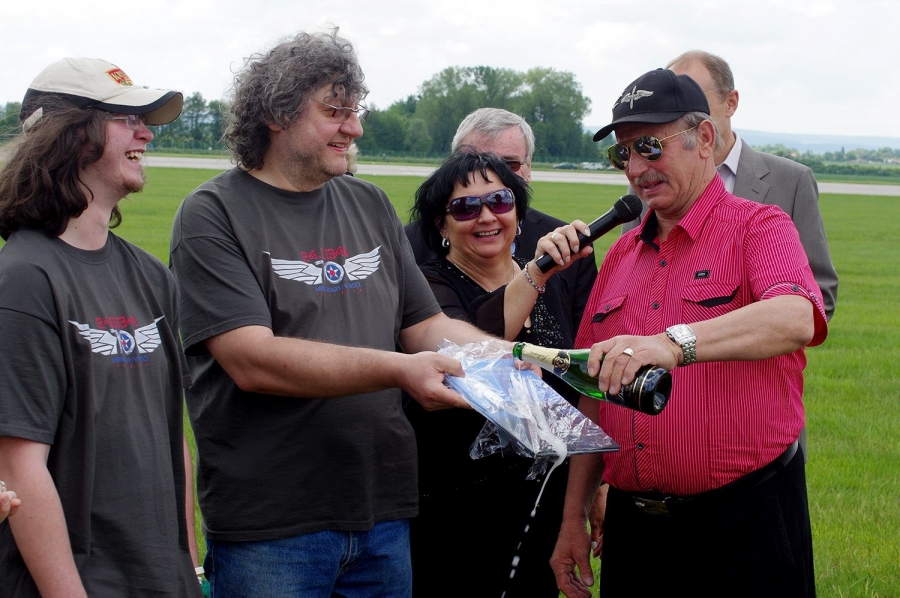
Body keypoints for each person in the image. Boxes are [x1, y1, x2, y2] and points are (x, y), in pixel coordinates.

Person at [169, 29, 502, 597]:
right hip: (271, 527)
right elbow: (253, 360)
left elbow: (426, 326)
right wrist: (400, 370)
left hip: (382, 510)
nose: (355, 128)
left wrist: (515, 357)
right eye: (335, 111)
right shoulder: (212, 214)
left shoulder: (368, 202)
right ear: (276, 114)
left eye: (355, 111)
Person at [550, 68, 827, 598]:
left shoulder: (759, 226)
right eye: (622, 154)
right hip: (637, 535)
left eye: (649, 146)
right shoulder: (621, 256)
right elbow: (591, 397)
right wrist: (572, 520)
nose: (636, 168)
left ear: (704, 138)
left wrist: (673, 344)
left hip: (744, 523)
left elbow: (795, 316)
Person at [0, 58, 202, 597]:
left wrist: (188, 569)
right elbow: (19, 466)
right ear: (69, 135)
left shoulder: (151, 276)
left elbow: (171, 437)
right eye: (126, 119)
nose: (146, 133)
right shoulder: (23, 281)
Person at [406, 149, 593, 597]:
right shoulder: (426, 287)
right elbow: (469, 352)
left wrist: (588, 493)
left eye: (500, 201)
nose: (487, 216)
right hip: (455, 508)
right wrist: (536, 273)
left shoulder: (554, 285)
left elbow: (579, 389)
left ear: (518, 212)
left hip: (542, 500)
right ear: (441, 225)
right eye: (465, 207)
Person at [623, 50, 838, 322]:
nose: (682, 112)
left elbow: (818, 296)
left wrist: (720, 336)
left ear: (731, 103)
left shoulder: (792, 181)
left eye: (696, 99)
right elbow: (628, 281)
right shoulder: (650, 182)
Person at [405, 107, 598, 332]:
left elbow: (585, 343)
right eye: (466, 207)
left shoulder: (566, 250)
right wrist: (535, 274)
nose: (492, 175)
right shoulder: (406, 246)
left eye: (508, 165)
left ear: (528, 169)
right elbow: (460, 347)